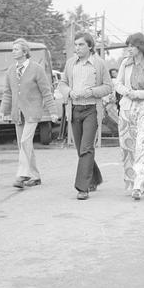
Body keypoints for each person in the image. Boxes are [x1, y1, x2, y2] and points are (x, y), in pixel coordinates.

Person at [58, 31, 112, 200]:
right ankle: (95, 178)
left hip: (91, 110)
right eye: (76, 45)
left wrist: (91, 92)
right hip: (74, 110)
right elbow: (62, 82)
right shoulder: (70, 64)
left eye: (81, 44)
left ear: (90, 46)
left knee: (86, 148)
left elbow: (108, 87)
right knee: (80, 149)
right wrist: (69, 92)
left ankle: (83, 188)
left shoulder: (99, 64)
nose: (77, 48)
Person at [0, 38, 58, 188]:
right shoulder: (11, 71)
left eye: (16, 49)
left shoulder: (37, 69)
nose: (13, 52)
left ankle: (22, 175)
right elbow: (7, 93)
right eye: (12, 49)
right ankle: (36, 176)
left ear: (25, 52)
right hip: (17, 114)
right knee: (23, 145)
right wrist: (1, 111)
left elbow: (46, 92)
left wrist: (53, 112)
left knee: (25, 142)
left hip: (32, 112)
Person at [114, 32, 144, 199]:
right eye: (127, 45)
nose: (128, 49)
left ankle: (137, 186)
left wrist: (139, 94)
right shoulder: (124, 65)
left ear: (140, 47)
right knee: (128, 147)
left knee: (142, 145)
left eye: (131, 46)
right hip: (127, 109)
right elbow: (118, 84)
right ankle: (137, 180)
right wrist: (128, 92)